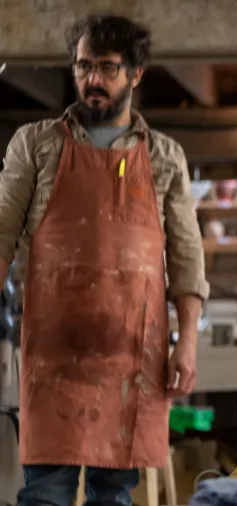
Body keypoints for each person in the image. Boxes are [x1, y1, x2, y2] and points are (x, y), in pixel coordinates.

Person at [0, 14, 209, 506]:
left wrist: (189, 342)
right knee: (45, 493)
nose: (93, 80)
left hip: (133, 360)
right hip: (53, 356)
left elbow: (185, 256)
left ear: (136, 74)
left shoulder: (164, 157)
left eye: (108, 68)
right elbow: (1, 235)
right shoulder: (36, 145)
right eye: (83, 66)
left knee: (113, 497)